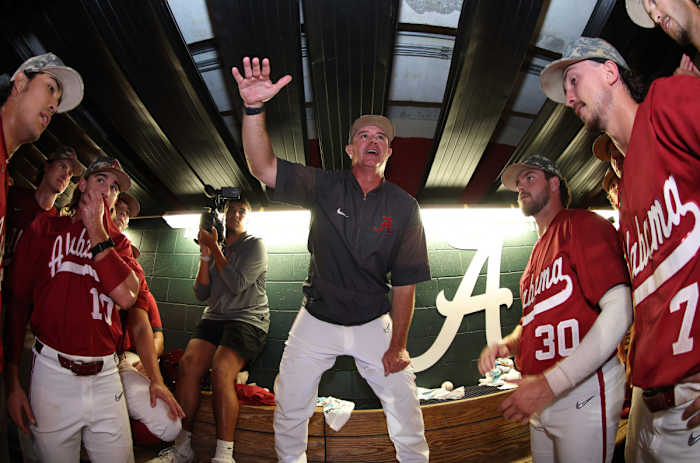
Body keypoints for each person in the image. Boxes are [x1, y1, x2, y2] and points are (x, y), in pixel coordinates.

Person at [232, 56, 431, 463]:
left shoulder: (404, 206)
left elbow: (406, 282)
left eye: (380, 137)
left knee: (405, 405)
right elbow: (263, 167)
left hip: (373, 323)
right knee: (289, 404)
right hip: (316, 320)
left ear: (389, 151)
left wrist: (398, 346)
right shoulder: (324, 185)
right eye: (363, 135)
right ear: (349, 148)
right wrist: (254, 108)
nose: (371, 141)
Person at [539, 36, 700, 462]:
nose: (568, 96)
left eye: (574, 79)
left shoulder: (667, 105)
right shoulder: (627, 194)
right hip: (650, 400)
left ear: (610, 71)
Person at [4, 157, 183, 462]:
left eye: (114, 187)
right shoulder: (46, 227)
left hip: (105, 376)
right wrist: (11, 382)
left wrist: (96, 229)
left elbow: (129, 301)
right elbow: (18, 303)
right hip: (53, 372)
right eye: (101, 179)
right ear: (82, 184)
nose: (108, 190)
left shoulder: (121, 246)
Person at [479, 155, 632, 462]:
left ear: (554, 183)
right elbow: (533, 320)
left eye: (530, 178)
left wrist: (552, 384)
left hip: (582, 388)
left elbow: (620, 309)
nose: (521, 185)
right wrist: (508, 344)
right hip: (542, 396)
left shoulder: (583, 225)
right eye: (518, 183)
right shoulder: (534, 257)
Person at [150, 195, 269, 463]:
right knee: (188, 364)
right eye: (232, 210)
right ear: (225, 216)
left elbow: (237, 284)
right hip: (215, 317)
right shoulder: (215, 247)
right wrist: (205, 256)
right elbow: (201, 292)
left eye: (242, 211)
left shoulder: (255, 245)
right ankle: (183, 446)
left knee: (221, 369)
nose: (236, 214)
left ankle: (224, 455)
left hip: (247, 319)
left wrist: (215, 248)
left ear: (247, 218)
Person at [0, 53, 83, 371]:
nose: (53, 105)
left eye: (57, 100)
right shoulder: (15, 194)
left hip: (18, 322)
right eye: (49, 88)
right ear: (19, 82)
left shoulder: (57, 226)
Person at [3, 145, 84, 462]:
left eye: (70, 172)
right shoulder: (14, 200)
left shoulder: (56, 225)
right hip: (2, 298)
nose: (65, 174)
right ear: (46, 167)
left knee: (21, 390)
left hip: (23, 315)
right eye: (61, 166)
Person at [111, 191, 181, 444]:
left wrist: (150, 369)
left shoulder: (138, 278)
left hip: (124, 358)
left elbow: (155, 334)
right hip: (75, 358)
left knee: (169, 424)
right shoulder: (81, 248)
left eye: (127, 213)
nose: (122, 215)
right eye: (117, 209)